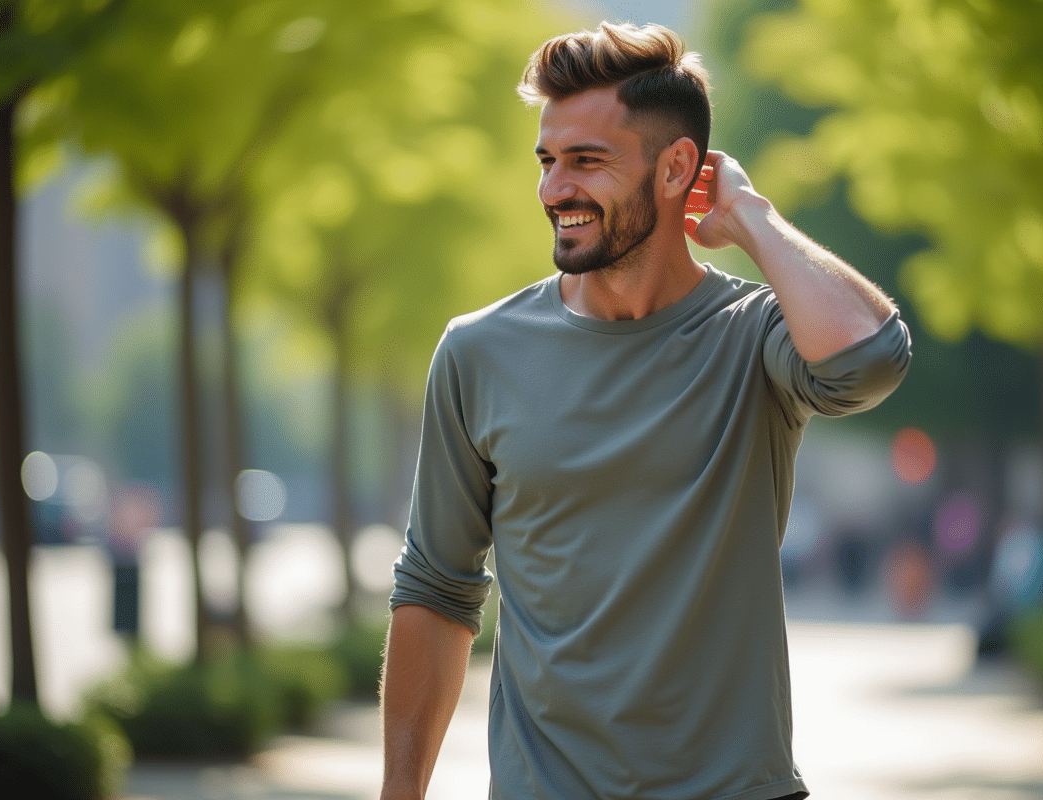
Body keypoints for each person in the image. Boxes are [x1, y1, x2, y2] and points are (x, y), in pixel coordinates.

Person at [381, 21, 911, 800]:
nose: (555, 189)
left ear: (677, 170)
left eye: (587, 161)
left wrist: (754, 221)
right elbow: (436, 586)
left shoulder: (753, 338)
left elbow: (870, 360)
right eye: (548, 161)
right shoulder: (478, 352)